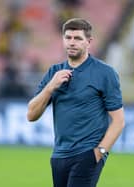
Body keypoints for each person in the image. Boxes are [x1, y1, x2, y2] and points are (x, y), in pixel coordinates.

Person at [27, 18, 125, 187]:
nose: (72, 43)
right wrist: (51, 87)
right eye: (68, 38)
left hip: (87, 154)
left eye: (78, 38)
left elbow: (119, 121)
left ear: (89, 42)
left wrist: (100, 152)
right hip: (59, 156)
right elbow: (31, 115)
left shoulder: (105, 73)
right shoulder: (54, 72)